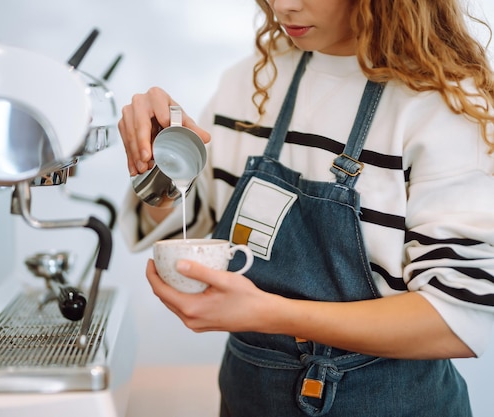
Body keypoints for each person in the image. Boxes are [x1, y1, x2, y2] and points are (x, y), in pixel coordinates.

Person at [118, 0, 494, 416]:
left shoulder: (442, 103)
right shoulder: (251, 82)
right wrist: (161, 164)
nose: (284, 6)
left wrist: (273, 314)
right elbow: (190, 231)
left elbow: (456, 323)